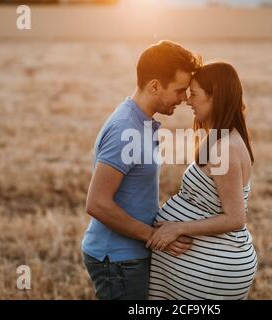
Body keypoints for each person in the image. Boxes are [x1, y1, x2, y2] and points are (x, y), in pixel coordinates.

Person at [81, 40, 202, 300]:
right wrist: (154, 236)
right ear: (155, 86)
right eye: (180, 91)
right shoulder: (125, 129)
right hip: (117, 259)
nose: (184, 99)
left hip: (129, 255)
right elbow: (97, 203)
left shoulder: (141, 122)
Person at [147, 62, 258, 300]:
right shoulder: (220, 138)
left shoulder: (224, 148)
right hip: (208, 267)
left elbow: (235, 218)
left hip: (212, 271)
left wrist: (178, 228)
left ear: (215, 97)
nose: (188, 101)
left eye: (195, 94)